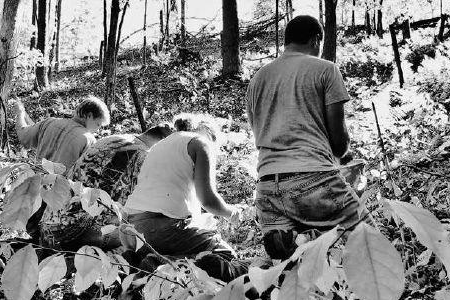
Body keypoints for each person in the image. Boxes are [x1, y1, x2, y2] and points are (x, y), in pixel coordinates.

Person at [246, 15, 371, 260]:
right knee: (370, 244)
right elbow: (339, 143)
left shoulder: (257, 80)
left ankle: (243, 272)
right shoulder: (325, 69)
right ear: (316, 40)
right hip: (313, 177)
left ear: (287, 42)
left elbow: (259, 133)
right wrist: (344, 156)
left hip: (267, 186)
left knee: (287, 271)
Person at [122, 114, 247, 282]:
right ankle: (155, 265)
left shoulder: (160, 145)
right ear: (209, 134)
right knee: (225, 256)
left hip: (130, 230)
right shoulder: (199, 142)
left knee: (191, 249)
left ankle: (138, 264)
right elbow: (208, 201)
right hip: (160, 230)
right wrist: (232, 213)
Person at [36, 124, 174, 251]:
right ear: (164, 144)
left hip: (48, 226)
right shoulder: (143, 157)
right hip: (72, 235)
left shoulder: (113, 139)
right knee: (154, 231)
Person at [14, 96, 110, 171]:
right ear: (89, 116)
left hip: (36, 184)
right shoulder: (89, 140)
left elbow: (23, 136)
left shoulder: (49, 122)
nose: (97, 130)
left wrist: (20, 114)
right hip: (61, 191)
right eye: (98, 124)